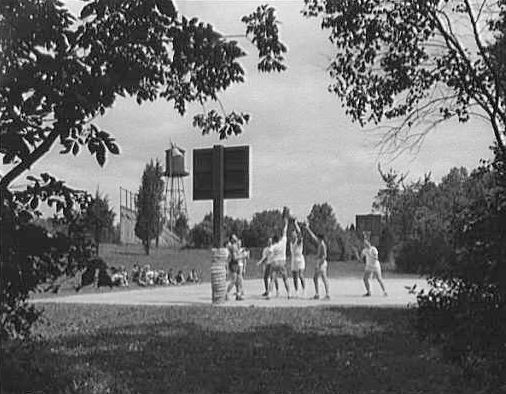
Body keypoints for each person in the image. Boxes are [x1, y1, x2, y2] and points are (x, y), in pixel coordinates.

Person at [265, 215, 291, 299]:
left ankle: (269, 294)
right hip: (282, 262)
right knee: (285, 278)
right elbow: (284, 231)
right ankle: (289, 294)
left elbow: (269, 252)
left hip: (274, 262)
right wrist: (286, 223)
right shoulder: (283, 242)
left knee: (272, 279)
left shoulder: (274, 246)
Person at [304, 224, 330, 300]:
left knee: (322, 278)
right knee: (318, 278)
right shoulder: (320, 243)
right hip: (320, 262)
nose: (317, 238)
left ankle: (324, 294)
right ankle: (319, 294)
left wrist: (319, 263)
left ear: (320, 238)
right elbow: (313, 236)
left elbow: (325, 255)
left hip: (322, 263)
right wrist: (308, 228)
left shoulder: (322, 245)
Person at [226, 234, 244, 300]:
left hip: (236, 264)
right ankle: (227, 293)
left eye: (236, 236)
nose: (236, 238)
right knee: (233, 280)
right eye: (234, 237)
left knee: (238, 280)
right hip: (233, 264)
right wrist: (243, 256)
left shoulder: (235, 246)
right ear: (231, 239)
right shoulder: (233, 246)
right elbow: (235, 257)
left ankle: (238, 295)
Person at [290, 220, 306, 297]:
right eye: (292, 234)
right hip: (294, 260)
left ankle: (304, 290)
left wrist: (296, 224)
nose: (293, 235)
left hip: (300, 259)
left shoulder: (298, 241)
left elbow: (300, 234)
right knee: (294, 277)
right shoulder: (291, 243)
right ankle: (296, 291)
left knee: (300, 275)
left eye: (294, 234)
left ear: (296, 235)